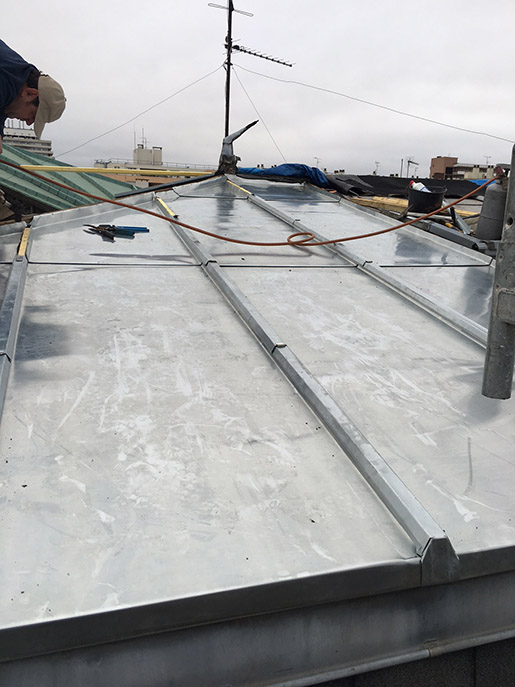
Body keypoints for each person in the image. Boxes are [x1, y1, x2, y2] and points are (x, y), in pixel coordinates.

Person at [0, 38, 66, 154]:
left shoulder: (17, 76)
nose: (28, 123)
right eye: (32, 115)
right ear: (30, 93)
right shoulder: (4, 77)